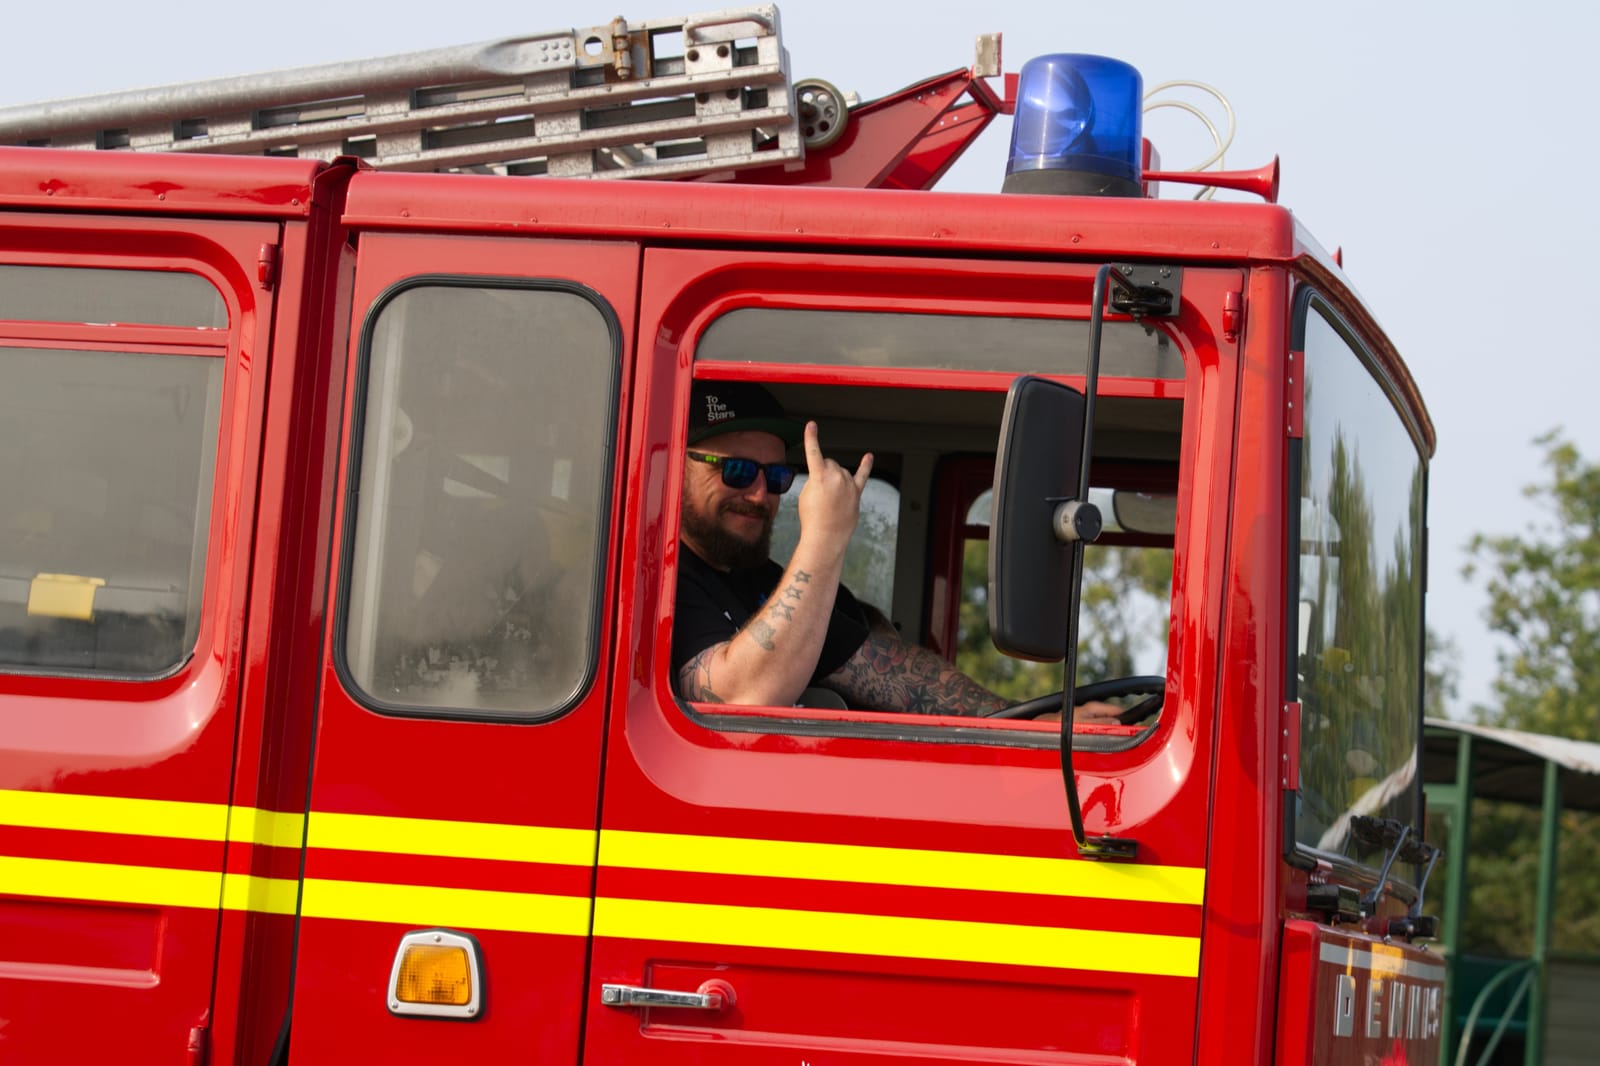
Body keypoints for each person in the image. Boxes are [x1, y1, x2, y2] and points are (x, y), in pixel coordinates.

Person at [671, 380, 1122, 723]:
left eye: (775, 479)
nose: (758, 494)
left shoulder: (768, 586)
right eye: (736, 470)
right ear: (675, 464)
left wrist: (1030, 722)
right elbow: (742, 700)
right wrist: (825, 535)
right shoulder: (660, 582)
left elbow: (893, 675)